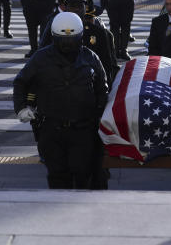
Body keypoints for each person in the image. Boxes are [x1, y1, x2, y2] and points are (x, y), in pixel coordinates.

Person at [13, 12, 108, 189]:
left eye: (71, 39)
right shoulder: (41, 58)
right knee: (57, 177)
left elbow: (102, 89)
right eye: (63, 39)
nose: (68, 44)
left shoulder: (90, 57)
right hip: (52, 129)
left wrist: (100, 118)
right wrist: (21, 108)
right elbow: (21, 81)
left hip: (83, 129)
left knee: (83, 176)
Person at [41, 0, 117, 87]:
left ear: (85, 8)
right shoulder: (54, 27)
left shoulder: (97, 32)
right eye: (72, 6)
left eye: (80, 6)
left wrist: (104, 93)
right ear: (65, 8)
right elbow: (41, 58)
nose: (76, 9)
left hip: (87, 87)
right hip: (58, 85)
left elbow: (106, 65)